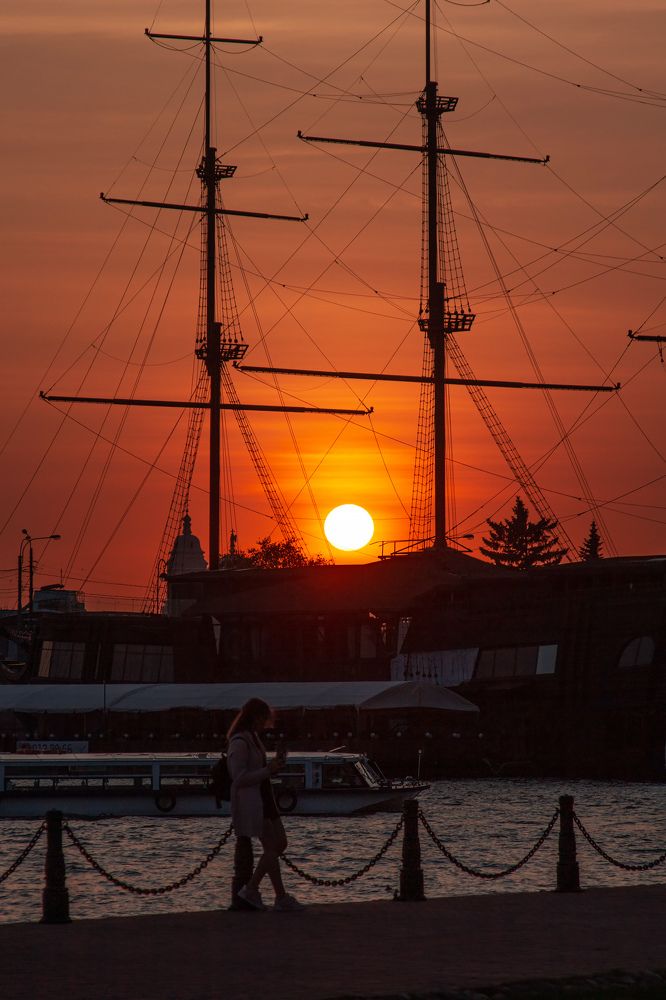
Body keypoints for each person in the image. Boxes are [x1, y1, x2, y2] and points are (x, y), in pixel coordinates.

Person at [227, 697, 304, 911]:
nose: (265, 723)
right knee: (274, 846)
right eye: (263, 718)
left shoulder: (253, 738)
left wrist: (274, 767)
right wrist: (267, 770)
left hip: (265, 797)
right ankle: (254, 889)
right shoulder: (239, 742)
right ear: (255, 717)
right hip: (254, 801)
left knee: (278, 844)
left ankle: (275, 895)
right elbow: (239, 778)